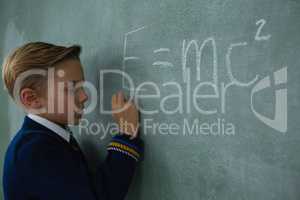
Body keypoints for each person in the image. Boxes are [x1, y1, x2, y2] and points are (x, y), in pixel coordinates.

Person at [2, 42, 143, 200]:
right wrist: (126, 133)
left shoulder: (43, 140)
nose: (85, 96)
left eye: (83, 86)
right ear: (31, 98)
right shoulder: (33, 151)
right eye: (71, 88)